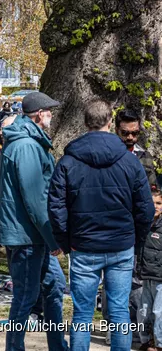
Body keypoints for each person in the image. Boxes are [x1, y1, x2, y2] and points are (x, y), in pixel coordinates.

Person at [49, 99, 154, 351]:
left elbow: (55, 208)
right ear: (110, 122)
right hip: (117, 244)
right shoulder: (128, 161)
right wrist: (135, 239)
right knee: (118, 311)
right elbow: (146, 209)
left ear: (86, 123)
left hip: (86, 245)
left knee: (83, 313)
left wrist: (66, 241)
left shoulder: (68, 162)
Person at [0, 92, 68, 351]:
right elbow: (35, 198)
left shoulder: (29, 141)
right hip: (27, 236)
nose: (51, 115)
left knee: (55, 286)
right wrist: (53, 239)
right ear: (39, 114)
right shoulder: (26, 145)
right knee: (25, 297)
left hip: (32, 235)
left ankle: (58, 346)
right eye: (49, 111)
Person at [137, 190, 162, 351]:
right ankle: (146, 341)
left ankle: (159, 344)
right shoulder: (143, 224)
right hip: (146, 276)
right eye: (152, 203)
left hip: (161, 278)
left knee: (158, 312)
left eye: (159, 203)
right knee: (143, 312)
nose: (155, 206)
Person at [116, 108, 157, 190]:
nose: (130, 137)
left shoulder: (145, 156)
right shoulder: (107, 155)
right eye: (125, 133)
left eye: (135, 133)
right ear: (117, 131)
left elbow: (153, 188)